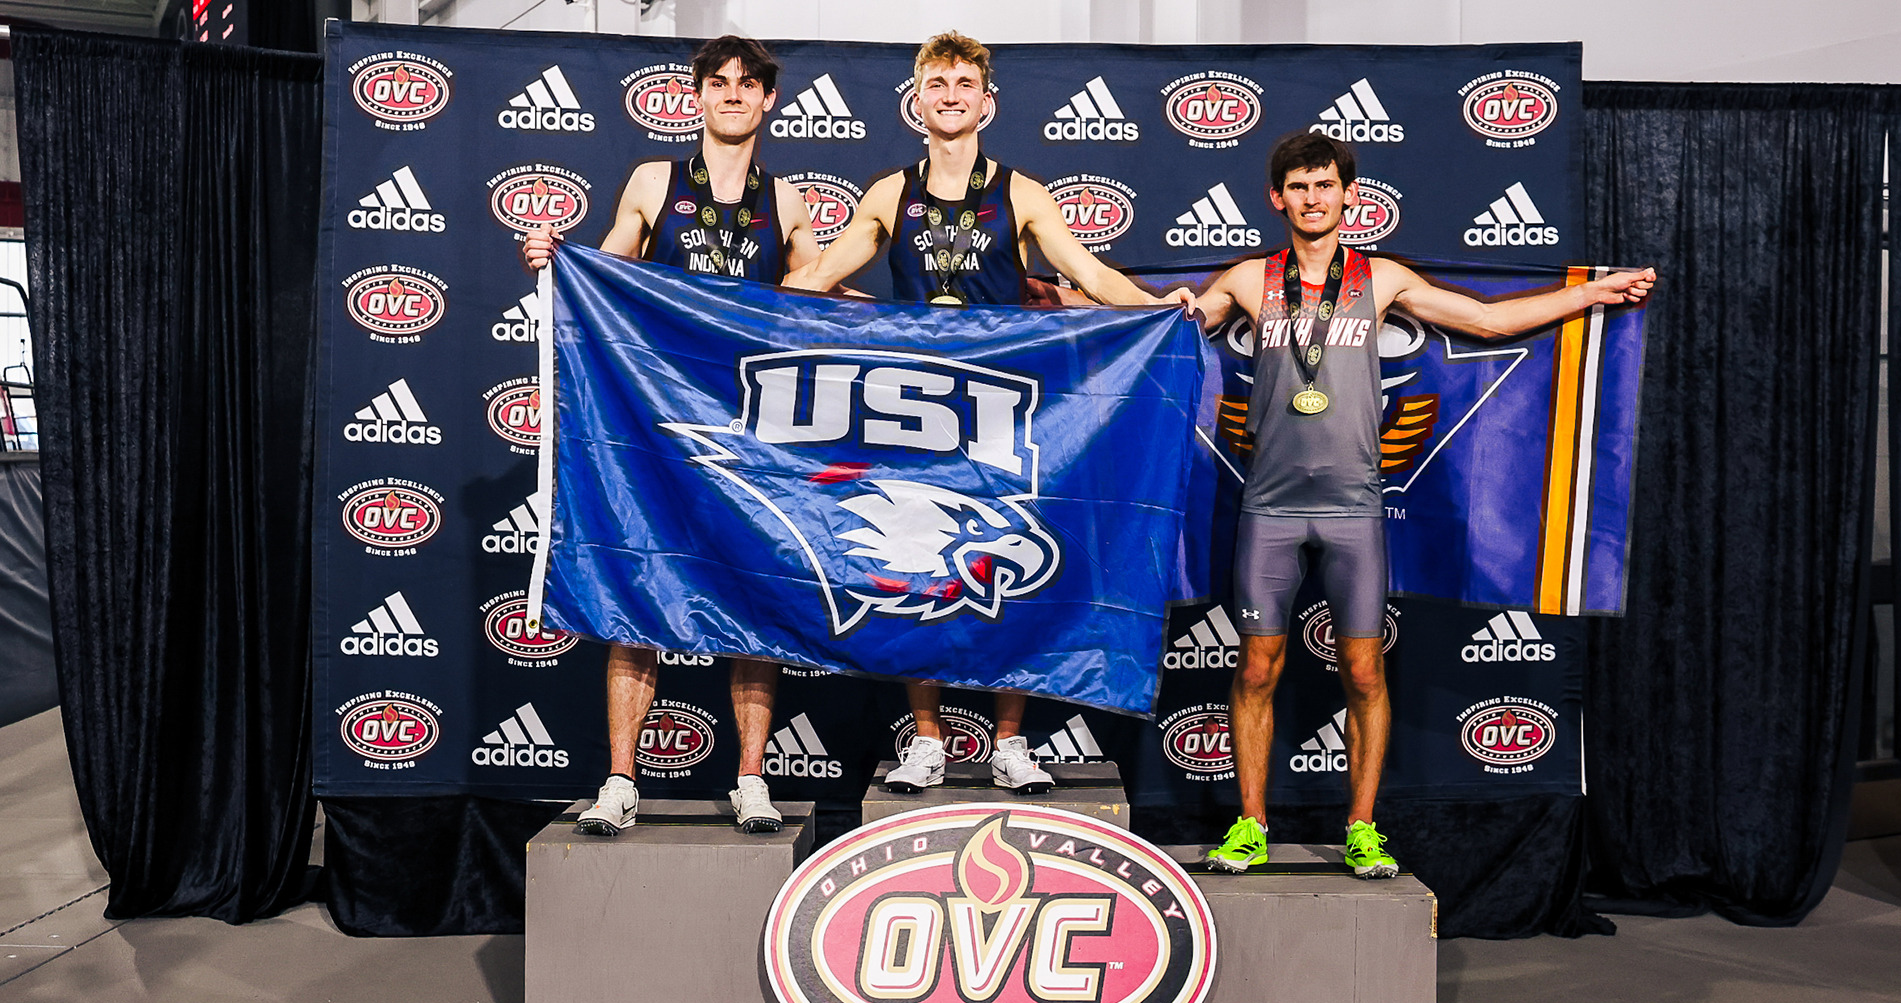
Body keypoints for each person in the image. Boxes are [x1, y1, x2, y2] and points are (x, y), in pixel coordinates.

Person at [1185, 132, 1655, 878]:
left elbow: (1488, 323)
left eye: (1326, 186)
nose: (1313, 199)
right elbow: (1174, 322)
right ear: (1277, 199)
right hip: (1269, 511)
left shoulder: (1380, 279)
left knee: (1366, 675)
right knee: (1255, 670)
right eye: (1299, 188)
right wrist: (1080, 302)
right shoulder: (1249, 279)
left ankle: (1363, 827)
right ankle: (1250, 825)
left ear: (1348, 196)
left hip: (1355, 512)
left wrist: (1592, 294)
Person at [784, 30, 1191, 797]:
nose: (949, 94)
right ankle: (928, 740)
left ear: (986, 102)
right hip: (914, 409)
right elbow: (815, 279)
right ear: (916, 101)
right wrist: (711, 297)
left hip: (1007, 410)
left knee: (1010, 564)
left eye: (964, 82)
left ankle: (1010, 740)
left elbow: (1089, 272)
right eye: (936, 82)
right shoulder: (887, 195)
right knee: (916, 565)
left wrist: (1156, 305)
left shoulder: (1020, 193)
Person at [524, 35, 822, 836]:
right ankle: (622, 778)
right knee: (634, 592)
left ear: (767, 101)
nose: (731, 94)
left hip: (753, 430)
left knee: (753, 597)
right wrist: (554, 258)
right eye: (717, 82)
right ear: (696, 97)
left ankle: (750, 778)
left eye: (746, 84)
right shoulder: (656, 182)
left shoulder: (786, 200)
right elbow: (606, 268)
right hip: (655, 424)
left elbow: (822, 300)